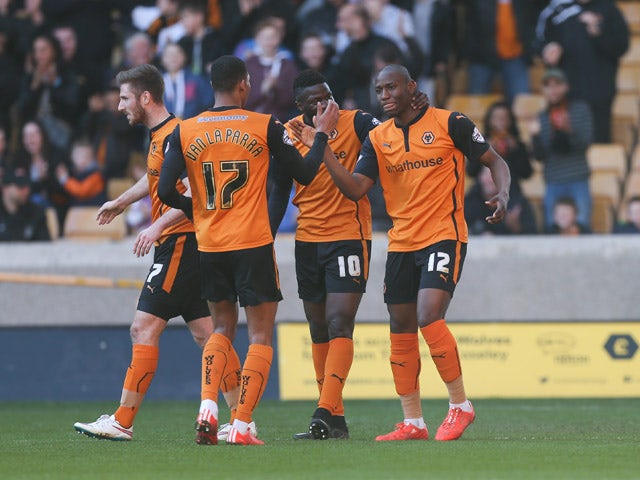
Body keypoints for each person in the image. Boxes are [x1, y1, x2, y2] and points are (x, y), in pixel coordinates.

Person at [318, 64, 510, 441]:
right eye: (379, 90)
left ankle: (460, 405)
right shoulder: (378, 138)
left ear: (410, 87)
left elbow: (495, 161)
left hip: (444, 234)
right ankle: (413, 421)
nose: (385, 95)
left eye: (392, 87)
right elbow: (357, 189)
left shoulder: (449, 122)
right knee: (400, 328)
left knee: (428, 315)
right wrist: (322, 149)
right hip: (402, 242)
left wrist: (502, 193)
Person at [157, 55, 339, 445]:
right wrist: (321, 134)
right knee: (259, 336)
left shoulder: (184, 130)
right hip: (253, 243)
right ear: (244, 84)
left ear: (212, 85)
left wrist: (201, 209)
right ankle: (240, 425)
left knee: (220, 329)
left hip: (209, 244)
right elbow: (304, 174)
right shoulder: (264, 125)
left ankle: (207, 406)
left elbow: (164, 191)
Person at [73, 64, 244, 442]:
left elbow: (197, 195)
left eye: (124, 98)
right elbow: (154, 177)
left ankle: (122, 420)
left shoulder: (176, 136)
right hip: (187, 245)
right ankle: (240, 420)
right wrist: (121, 201)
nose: (119, 106)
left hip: (180, 243)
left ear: (145, 98)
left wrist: (157, 226)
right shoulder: (162, 136)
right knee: (205, 333)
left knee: (143, 327)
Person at [268, 69, 380, 440]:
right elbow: (279, 189)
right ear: (300, 106)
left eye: (328, 95)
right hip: (308, 239)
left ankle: (322, 410)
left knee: (338, 322)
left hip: (349, 236)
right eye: (315, 100)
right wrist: (265, 237)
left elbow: (390, 139)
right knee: (317, 329)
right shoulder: (287, 133)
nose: (325, 104)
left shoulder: (359, 122)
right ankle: (336, 420)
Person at [535, 0, 629, 143]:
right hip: (566, 95)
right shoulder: (557, 8)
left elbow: (622, 46)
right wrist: (546, 49)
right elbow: (537, 39)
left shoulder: (608, 8)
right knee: (569, 145)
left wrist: (599, 33)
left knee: (600, 145)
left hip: (600, 94)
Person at [529, 68, 593, 230]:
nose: (553, 90)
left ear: (566, 87)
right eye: (548, 85)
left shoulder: (580, 110)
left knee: (581, 227)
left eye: (557, 84)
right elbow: (539, 156)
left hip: (578, 178)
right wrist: (535, 137)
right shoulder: (541, 117)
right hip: (553, 180)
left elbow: (585, 143)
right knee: (552, 229)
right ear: (543, 90)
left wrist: (568, 129)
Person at [468, 100, 533, 198]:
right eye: (496, 118)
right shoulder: (480, 143)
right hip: (483, 195)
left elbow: (526, 174)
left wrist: (516, 151)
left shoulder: (517, 145)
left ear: (511, 121)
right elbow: (471, 172)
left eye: (504, 118)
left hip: (511, 194)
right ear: (489, 121)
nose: (500, 122)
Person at [465, 165, 537, 235]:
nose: (490, 180)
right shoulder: (468, 202)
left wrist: (516, 227)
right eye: (487, 175)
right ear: (480, 177)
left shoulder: (518, 204)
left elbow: (533, 237)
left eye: (495, 176)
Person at [0, 168, 51, 242]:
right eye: (20, 186)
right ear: (5, 188)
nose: (26, 190)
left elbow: (45, 246)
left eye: (27, 186)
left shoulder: (36, 212)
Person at [56, 139, 107, 207]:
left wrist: (65, 180)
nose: (83, 159)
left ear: (92, 157)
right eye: (79, 155)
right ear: (72, 157)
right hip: (77, 212)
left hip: (94, 211)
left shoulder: (96, 175)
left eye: (86, 156)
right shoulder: (73, 173)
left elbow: (81, 191)